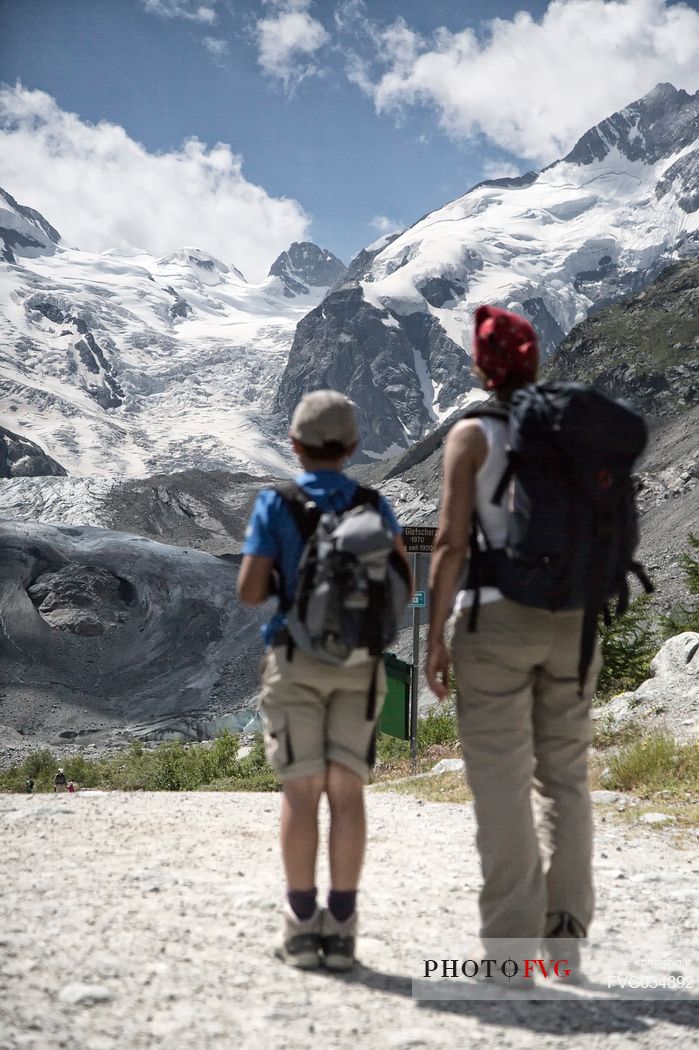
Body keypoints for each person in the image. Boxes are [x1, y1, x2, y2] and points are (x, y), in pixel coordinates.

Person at [425, 305, 602, 967]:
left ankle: (508, 949)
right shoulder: (575, 432)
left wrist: (435, 639)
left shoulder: (471, 434)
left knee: (501, 783)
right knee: (565, 780)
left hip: (495, 619)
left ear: (481, 366)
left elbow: (447, 543)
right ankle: (564, 943)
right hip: (574, 621)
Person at [238, 390, 410, 972]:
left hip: (294, 661)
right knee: (347, 792)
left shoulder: (275, 503)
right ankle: (342, 929)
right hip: (359, 667)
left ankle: (299, 926)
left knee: (301, 792)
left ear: (294, 444)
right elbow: (402, 581)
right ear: (354, 446)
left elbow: (250, 590)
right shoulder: (372, 503)